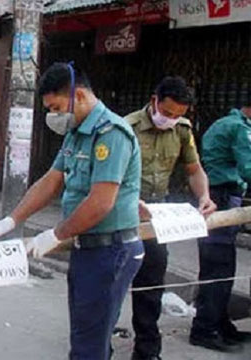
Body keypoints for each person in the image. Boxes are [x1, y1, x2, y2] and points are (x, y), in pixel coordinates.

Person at [0, 62, 144, 359]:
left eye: (56, 108)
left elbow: (100, 202)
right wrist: (12, 219)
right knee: (87, 333)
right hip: (88, 248)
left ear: (78, 95)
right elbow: (51, 181)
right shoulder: (77, 130)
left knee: (89, 342)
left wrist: (56, 234)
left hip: (111, 250)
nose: (54, 116)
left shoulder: (111, 133)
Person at [126, 76, 216, 360]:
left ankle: (147, 351)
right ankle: (97, 347)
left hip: (157, 214)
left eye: (178, 115)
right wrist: (129, 202)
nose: (171, 119)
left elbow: (194, 169)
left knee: (151, 285)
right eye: (167, 113)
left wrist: (204, 196)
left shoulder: (182, 130)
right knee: (111, 284)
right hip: (122, 211)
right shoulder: (126, 128)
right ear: (154, 101)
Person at [189, 101, 251, 352]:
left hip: (213, 197)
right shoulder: (239, 128)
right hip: (221, 199)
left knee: (219, 265)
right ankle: (205, 328)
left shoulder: (224, 123)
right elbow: (248, 167)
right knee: (219, 267)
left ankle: (220, 323)